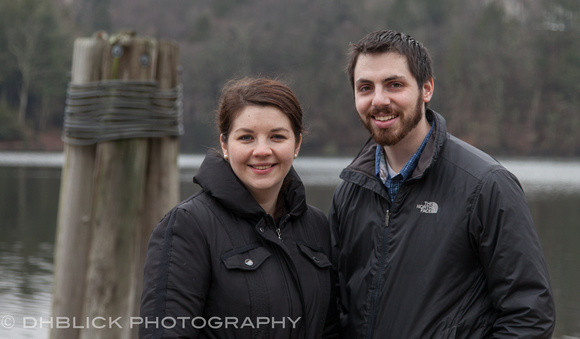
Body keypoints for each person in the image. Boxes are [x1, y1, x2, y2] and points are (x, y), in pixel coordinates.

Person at [328, 29, 555, 338]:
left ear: (427, 88)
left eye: (394, 84)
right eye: (365, 87)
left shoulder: (486, 185)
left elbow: (530, 315)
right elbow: (337, 308)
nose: (379, 100)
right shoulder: (350, 191)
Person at [140, 77, 338, 338]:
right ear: (225, 144)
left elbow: (330, 328)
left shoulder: (316, 225)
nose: (262, 150)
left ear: (297, 144)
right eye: (246, 137)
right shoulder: (188, 225)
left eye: (277, 137)